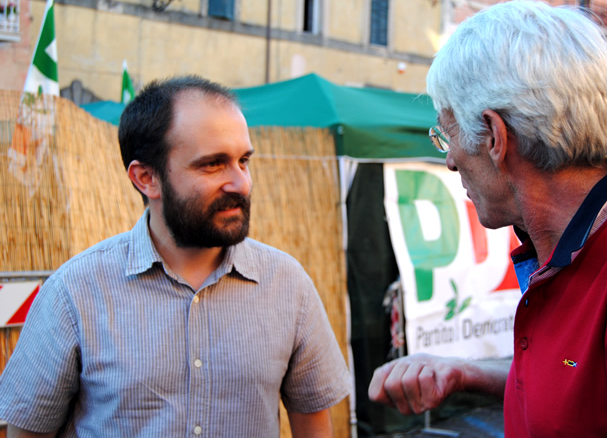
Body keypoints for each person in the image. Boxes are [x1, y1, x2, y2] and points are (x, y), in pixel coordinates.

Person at [369, 0, 607, 436]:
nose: (449, 160)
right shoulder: (572, 244)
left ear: (494, 137)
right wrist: (466, 372)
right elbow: (589, 387)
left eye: (446, 136)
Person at [0, 76, 351, 437]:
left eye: (243, 160)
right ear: (146, 178)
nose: (241, 183)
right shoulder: (74, 293)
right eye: (213, 164)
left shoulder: (287, 284)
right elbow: (28, 431)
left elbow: (315, 425)